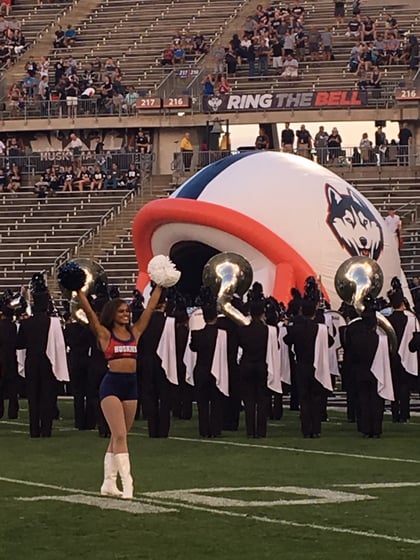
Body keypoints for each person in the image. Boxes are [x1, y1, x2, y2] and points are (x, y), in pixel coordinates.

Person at [76, 280, 163, 499]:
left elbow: (150, 309)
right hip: (111, 385)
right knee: (120, 435)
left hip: (131, 385)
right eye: (121, 311)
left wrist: (160, 286)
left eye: (127, 310)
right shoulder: (105, 335)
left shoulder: (135, 332)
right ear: (112, 314)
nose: (126, 314)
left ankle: (108, 483)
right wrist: (78, 291)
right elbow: (89, 313)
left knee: (119, 437)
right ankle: (128, 485)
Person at [17, 289, 69, 438]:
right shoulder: (53, 323)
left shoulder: (26, 323)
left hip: (32, 361)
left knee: (33, 396)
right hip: (48, 361)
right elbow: (60, 345)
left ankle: (34, 430)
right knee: (47, 396)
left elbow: (19, 344)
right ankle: (46, 429)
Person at [283, 299, 332, 438]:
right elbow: (331, 342)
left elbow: (286, 340)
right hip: (317, 366)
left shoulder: (296, 328)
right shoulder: (321, 329)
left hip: (301, 366)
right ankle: (316, 429)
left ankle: (306, 429)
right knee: (316, 398)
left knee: (304, 399)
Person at [388, 291, 419, 423]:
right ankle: (404, 413)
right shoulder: (411, 320)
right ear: (402, 303)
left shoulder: (387, 320)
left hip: (391, 356)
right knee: (405, 387)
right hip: (407, 355)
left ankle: (395, 412)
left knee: (394, 385)